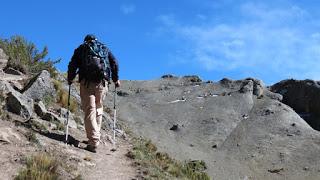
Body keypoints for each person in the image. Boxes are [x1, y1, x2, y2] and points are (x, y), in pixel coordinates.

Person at [67, 34, 120, 153]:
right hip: (102, 83)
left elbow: (72, 65)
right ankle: (94, 136)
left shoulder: (81, 49)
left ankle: (94, 140)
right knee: (98, 109)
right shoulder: (104, 48)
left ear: (86, 40)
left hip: (87, 83)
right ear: (96, 40)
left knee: (89, 110)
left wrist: (70, 78)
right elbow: (114, 63)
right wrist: (116, 79)